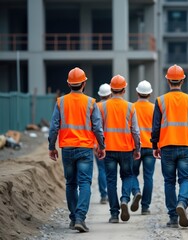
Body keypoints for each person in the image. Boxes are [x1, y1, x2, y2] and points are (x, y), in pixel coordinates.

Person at [48, 67, 106, 233]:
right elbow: (97, 127)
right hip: (85, 149)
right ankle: (80, 217)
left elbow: (53, 128)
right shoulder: (91, 102)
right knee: (85, 183)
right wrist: (101, 146)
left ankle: (74, 218)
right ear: (84, 83)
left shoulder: (61, 102)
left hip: (67, 148)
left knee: (71, 184)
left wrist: (51, 147)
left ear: (68, 83)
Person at [151, 64, 188, 228]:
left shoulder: (160, 100)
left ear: (168, 81)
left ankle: (173, 217)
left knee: (169, 182)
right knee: (186, 178)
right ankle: (182, 202)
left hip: (167, 146)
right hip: (186, 145)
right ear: (182, 80)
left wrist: (154, 145)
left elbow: (156, 127)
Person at [98, 75, 141, 224]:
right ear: (124, 89)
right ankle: (124, 199)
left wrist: (99, 146)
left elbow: (98, 129)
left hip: (108, 149)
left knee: (111, 181)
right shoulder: (130, 106)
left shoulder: (101, 106)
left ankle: (114, 214)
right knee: (128, 176)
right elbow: (135, 131)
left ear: (111, 89)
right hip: (126, 149)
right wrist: (137, 148)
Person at [131, 80, 156, 215]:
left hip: (136, 148)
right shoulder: (154, 108)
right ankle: (145, 207)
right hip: (150, 147)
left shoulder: (132, 107)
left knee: (132, 173)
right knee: (148, 177)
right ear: (150, 94)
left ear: (137, 92)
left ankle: (136, 191)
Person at [95, 83, 111, 205]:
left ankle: (104, 195)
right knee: (110, 171)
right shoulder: (112, 106)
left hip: (98, 144)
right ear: (110, 94)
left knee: (101, 169)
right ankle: (111, 194)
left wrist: (95, 143)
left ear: (100, 95)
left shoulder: (95, 107)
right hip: (111, 144)